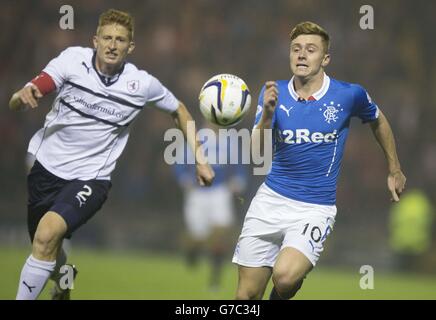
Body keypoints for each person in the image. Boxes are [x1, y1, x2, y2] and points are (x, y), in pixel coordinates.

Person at [9, 9, 214, 300]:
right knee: (44, 249)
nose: (112, 45)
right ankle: (64, 280)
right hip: (45, 169)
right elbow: (29, 92)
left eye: (120, 40)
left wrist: (200, 159)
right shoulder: (71, 60)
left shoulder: (141, 84)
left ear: (130, 47)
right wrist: (22, 95)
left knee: (46, 235)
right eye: (107, 38)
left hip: (90, 179)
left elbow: (179, 110)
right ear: (95, 40)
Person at [232, 21, 406, 300]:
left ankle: (290, 284)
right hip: (270, 201)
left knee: (285, 278)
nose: (301, 55)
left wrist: (394, 167)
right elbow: (255, 154)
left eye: (310, 50)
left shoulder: (349, 95)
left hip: (314, 207)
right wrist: (266, 116)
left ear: (325, 59)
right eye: (296, 49)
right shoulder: (273, 92)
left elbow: (379, 120)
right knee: (246, 298)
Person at [174, 122, 247, 291]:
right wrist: (183, 178)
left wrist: (239, 180)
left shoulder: (231, 140)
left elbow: (239, 165)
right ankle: (192, 254)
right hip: (197, 192)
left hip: (220, 192)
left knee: (220, 234)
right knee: (197, 236)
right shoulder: (195, 138)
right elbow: (179, 163)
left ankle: (215, 280)